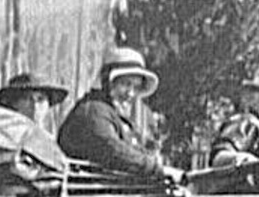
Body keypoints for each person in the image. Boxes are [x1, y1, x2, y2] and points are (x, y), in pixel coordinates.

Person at [58, 47, 183, 182]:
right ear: (108, 83)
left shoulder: (116, 115)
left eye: (136, 87)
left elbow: (134, 152)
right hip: (85, 192)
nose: (130, 93)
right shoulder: (94, 111)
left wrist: (156, 163)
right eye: (125, 84)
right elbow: (114, 152)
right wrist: (157, 168)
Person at [0, 71, 67, 127]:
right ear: (14, 104)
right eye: (26, 99)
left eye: (40, 99)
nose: (35, 106)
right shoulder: (2, 138)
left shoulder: (49, 142)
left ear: (48, 104)